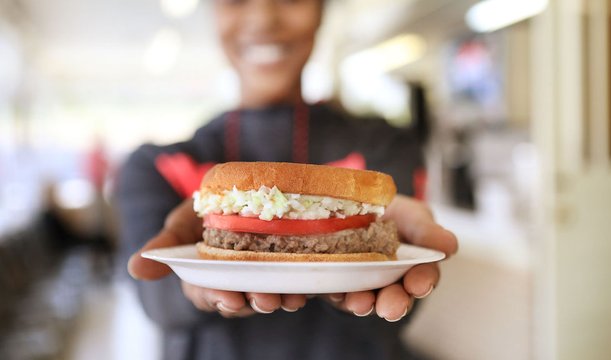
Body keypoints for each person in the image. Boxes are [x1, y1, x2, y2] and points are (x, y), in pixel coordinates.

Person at [118, 0, 458, 359]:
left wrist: (377, 272)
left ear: (321, 11)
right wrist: (187, 285)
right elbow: (151, 294)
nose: (264, 18)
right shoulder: (158, 164)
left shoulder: (386, 145)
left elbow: (398, 307)